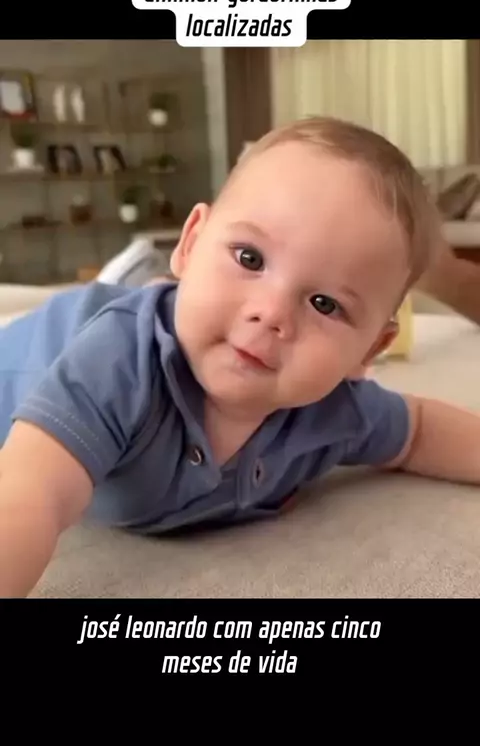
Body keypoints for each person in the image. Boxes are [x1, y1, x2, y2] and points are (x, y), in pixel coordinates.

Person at [2, 116, 480, 599]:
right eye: (249, 258)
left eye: (325, 304)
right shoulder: (119, 363)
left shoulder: (333, 411)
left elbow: (419, 431)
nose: (271, 314)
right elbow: (30, 493)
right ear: (190, 244)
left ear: (371, 348)